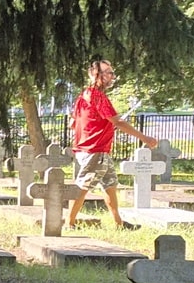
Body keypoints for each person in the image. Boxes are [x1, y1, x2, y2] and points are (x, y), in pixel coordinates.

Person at [65, 59, 158, 231]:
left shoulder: (84, 95)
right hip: (94, 151)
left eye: (112, 72)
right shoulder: (97, 96)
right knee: (83, 187)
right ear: (95, 74)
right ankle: (68, 224)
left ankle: (119, 224)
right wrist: (145, 138)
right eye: (107, 72)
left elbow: (73, 122)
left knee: (110, 186)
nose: (112, 76)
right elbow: (118, 122)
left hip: (96, 150)